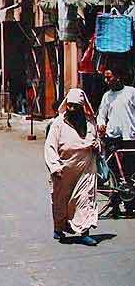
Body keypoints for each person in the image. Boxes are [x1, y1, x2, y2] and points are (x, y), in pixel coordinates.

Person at [44, 88, 100, 246]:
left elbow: (97, 142)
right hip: (64, 170)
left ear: (82, 107)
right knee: (60, 201)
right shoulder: (58, 123)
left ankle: (84, 232)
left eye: (76, 106)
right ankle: (59, 228)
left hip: (85, 169)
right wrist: (55, 166)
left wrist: (97, 146)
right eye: (70, 105)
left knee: (85, 199)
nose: (72, 109)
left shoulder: (90, 123)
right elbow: (50, 147)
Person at [97, 64, 135, 140]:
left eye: (108, 78)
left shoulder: (131, 92)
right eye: (105, 78)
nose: (106, 81)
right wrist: (101, 125)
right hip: (112, 138)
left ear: (117, 77)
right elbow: (101, 116)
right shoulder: (106, 96)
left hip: (130, 137)